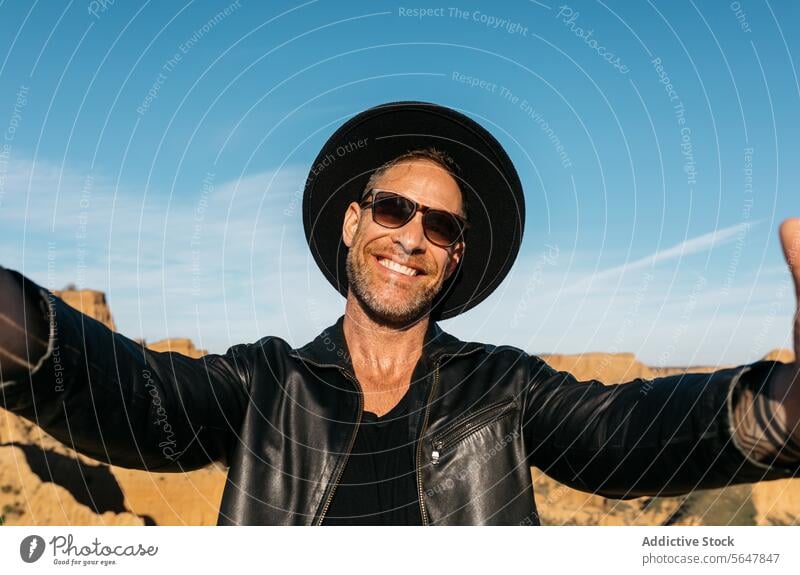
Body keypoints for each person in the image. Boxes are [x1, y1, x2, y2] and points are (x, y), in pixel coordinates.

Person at [1, 101, 799, 526]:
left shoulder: (502, 387)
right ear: (353, 222)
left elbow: (626, 436)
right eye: (392, 208)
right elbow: (130, 396)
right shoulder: (265, 383)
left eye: (441, 225)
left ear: (454, 258)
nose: (410, 236)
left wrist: (783, 411)